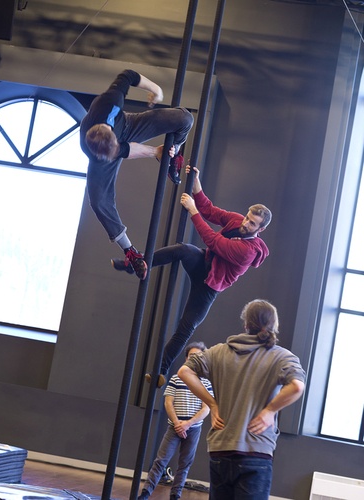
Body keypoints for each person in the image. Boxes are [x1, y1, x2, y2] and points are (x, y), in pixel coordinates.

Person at [113, 166, 272, 386]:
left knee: (186, 327)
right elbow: (210, 210)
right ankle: (136, 263)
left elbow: (214, 241)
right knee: (184, 249)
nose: (245, 224)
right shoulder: (236, 221)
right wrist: (196, 183)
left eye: (252, 223)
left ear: (260, 229)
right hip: (202, 263)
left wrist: (192, 211)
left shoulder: (249, 252)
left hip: (209, 286)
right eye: (247, 218)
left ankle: (160, 370)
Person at [178, 299, 306, 500]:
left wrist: (212, 404)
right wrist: (269, 411)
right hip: (256, 451)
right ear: (274, 326)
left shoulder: (217, 352)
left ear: (246, 324)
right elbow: (297, 386)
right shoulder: (283, 357)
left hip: (221, 449)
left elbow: (184, 371)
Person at [80, 69, 194, 280]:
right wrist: (154, 152)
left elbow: (127, 75)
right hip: (107, 153)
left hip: (128, 124)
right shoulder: (91, 151)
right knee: (98, 201)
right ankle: (130, 251)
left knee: (184, 118)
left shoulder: (111, 101)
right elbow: (126, 151)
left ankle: (174, 151)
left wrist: (155, 89)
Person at [138, 342, 214, 500]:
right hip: (174, 427)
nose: (195, 359)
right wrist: (178, 423)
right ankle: (145, 494)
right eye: (191, 356)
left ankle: (175, 495)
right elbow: (168, 402)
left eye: (199, 356)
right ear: (186, 358)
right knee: (160, 461)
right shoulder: (176, 378)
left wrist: (188, 423)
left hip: (193, 429)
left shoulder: (206, 382)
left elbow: (206, 408)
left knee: (184, 464)